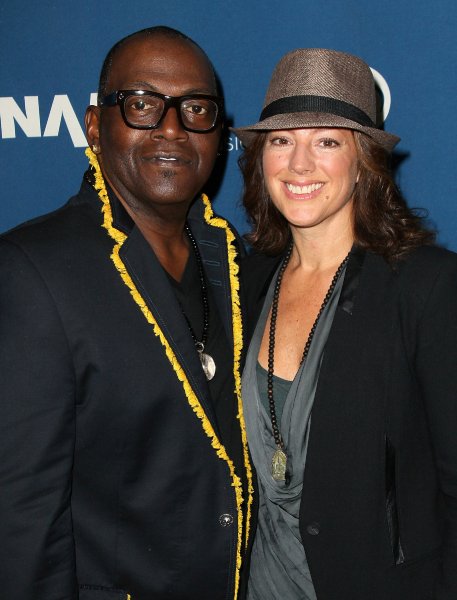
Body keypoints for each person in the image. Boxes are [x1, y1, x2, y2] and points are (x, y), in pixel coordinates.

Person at [0, 26, 254, 600]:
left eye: (196, 108)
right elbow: (20, 512)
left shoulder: (235, 259)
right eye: (141, 105)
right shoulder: (32, 270)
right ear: (94, 126)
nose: (171, 128)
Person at [233, 48, 457, 600]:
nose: (299, 164)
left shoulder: (426, 286)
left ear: (365, 161)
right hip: (259, 583)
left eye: (327, 142)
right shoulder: (244, 276)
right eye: (282, 141)